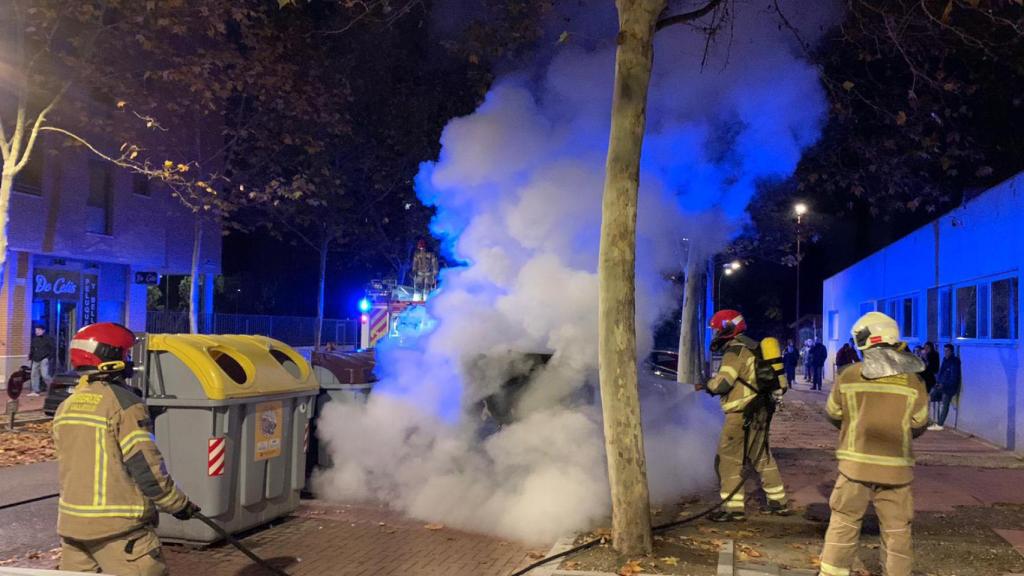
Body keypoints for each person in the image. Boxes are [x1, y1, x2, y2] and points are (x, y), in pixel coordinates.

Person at [53, 322, 199, 575]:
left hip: (72, 530)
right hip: (119, 533)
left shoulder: (67, 406)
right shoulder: (124, 404)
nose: (129, 361)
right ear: (110, 357)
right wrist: (178, 505)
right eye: (126, 355)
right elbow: (146, 467)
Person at [818, 312, 928, 576]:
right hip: (896, 470)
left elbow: (833, 413)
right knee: (897, 530)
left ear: (866, 341)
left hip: (854, 468)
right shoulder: (914, 380)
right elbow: (919, 423)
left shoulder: (849, 375)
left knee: (844, 521)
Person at [702, 309, 790, 522]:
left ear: (727, 329)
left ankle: (732, 509)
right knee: (761, 456)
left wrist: (708, 385)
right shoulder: (754, 347)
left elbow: (723, 383)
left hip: (740, 414)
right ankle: (778, 503)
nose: (715, 335)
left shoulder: (734, 351)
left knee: (728, 459)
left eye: (716, 330)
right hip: (760, 411)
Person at [930, 344, 961, 431]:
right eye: (944, 351)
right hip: (941, 385)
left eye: (947, 351)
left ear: (952, 351)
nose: (945, 353)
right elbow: (941, 373)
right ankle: (930, 420)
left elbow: (953, 377)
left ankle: (939, 424)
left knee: (944, 404)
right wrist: (937, 382)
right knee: (929, 397)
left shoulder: (954, 362)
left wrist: (943, 384)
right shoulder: (945, 360)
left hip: (948, 388)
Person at [28, 324, 55, 396]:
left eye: (39, 330)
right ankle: (35, 391)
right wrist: (30, 356)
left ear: (43, 330)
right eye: (36, 330)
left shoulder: (48, 338)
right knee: (33, 374)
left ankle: (53, 387)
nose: (37, 331)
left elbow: (52, 349)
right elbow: (32, 348)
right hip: (35, 358)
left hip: (44, 358)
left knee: (44, 375)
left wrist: (49, 358)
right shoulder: (34, 339)